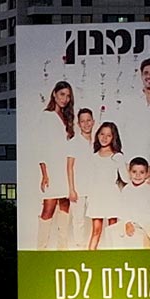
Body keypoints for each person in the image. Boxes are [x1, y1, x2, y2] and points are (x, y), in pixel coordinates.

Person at [36, 80, 77, 250]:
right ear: (54, 94)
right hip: (52, 167)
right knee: (49, 207)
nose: (65, 99)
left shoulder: (66, 117)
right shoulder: (47, 116)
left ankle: (62, 246)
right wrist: (45, 173)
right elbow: (41, 146)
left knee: (65, 204)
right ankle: (41, 248)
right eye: (62, 94)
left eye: (68, 96)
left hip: (66, 167)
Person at [84, 121, 126, 251]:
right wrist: (89, 198)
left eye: (109, 135)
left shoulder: (117, 156)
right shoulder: (93, 157)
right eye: (102, 134)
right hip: (97, 197)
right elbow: (90, 180)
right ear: (97, 135)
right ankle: (89, 258)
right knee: (96, 230)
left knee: (112, 229)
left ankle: (112, 259)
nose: (104, 138)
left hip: (112, 196)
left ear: (114, 138)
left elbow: (125, 179)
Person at [114, 157, 150, 249]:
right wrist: (127, 222)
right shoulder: (126, 190)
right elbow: (123, 208)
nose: (137, 175)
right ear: (129, 173)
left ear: (146, 174)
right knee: (123, 236)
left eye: (141, 172)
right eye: (134, 172)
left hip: (148, 222)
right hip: (133, 222)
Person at [66, 106, 98, 248]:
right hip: (79, 189)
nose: (86, 124)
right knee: (78, 221)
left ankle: (92, 248)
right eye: (83, 121)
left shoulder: (98, 142)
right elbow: (70, 167)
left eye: (88, 120)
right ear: (78, 124)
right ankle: (80, 247)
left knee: (95, 219)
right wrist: (72, 189)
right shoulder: (74, 142)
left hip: (94, 188)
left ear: (93, 121)